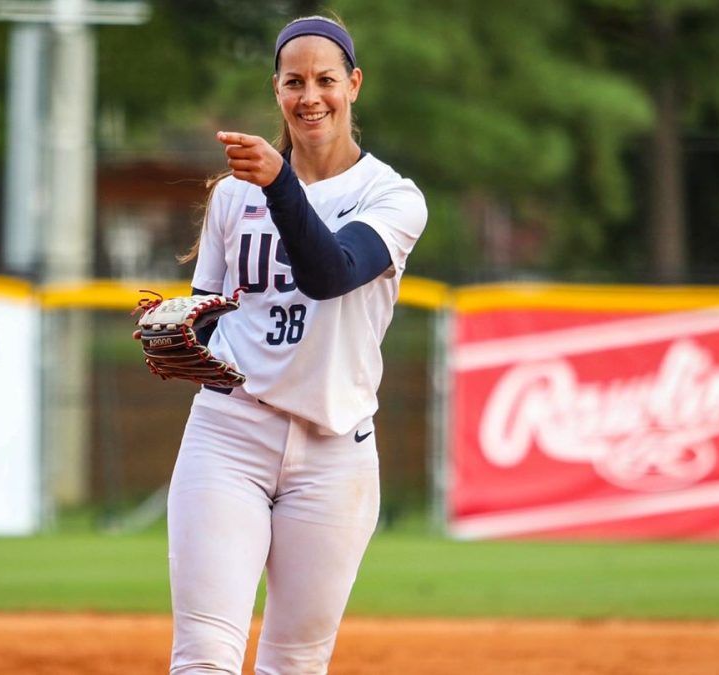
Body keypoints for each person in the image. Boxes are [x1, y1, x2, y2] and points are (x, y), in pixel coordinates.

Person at [167, 15, 426, 674]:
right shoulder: (232, 195)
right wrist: (184, 334)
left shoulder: (391, 197)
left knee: (295, 662)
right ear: (276, 90)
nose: (311, 95)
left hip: (335, 454)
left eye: (326, 80)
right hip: (228, 434)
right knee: (203, 653)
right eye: (294, 82)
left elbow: (330, 272)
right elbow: (211, 307)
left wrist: (280, 182)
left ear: (354, 85)